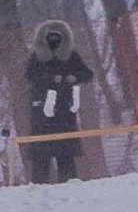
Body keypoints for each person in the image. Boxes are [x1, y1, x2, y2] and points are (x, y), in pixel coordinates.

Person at [25, 20, 93, 185]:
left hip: (64, 111)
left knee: (66, 153)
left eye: (57, 36)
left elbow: (87, 74)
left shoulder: (71, 56)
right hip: (43, 109)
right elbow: (30, 76)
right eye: (50, 36)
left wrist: (73, 78)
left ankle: (69, 186)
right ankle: (38, 188)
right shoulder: (37, 57)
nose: (54, 40)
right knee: (41, 153)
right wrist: (50, 79)